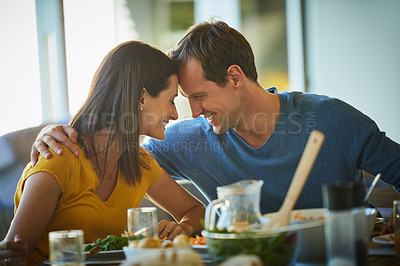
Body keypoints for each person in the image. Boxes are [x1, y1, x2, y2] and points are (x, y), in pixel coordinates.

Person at [30, 21, 400, 229]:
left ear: (235, 77)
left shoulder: (330, 119)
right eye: (183, 99)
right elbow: (111, 150)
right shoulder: (187, 140)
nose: (191, 113)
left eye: (199, 97)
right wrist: (58, 132)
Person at [0, 41, 205, 266]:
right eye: (171, 101)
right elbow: (13, 254)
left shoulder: (139, 163)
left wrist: (183, 227)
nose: (175, 114)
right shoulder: (58, 159)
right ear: (141, 97)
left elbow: (195, 210)